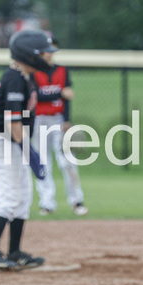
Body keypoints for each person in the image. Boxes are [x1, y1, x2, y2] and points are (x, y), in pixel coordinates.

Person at [0, 30, 52, 271]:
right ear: (30, 55)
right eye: (44, 53)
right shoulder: (15, 79)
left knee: (24, 196)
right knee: (9, 195)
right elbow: (13, 123)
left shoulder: (25, 76)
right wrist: (30, 152)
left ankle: (15, 252)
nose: (49, 57)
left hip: (14, 141)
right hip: (2, 140)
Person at [31, 35, 88, 216]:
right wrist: (60, 93)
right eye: (46, 51)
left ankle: (77, 201)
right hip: (39, 120)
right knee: (42, 162)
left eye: (51, 50)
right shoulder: (32, 71)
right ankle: (47, 203)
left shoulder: (62, 70)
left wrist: (66, 120)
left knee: (68, 161)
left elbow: (68, 98)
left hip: (57, 120)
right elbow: (36, 96)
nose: (49, 54)